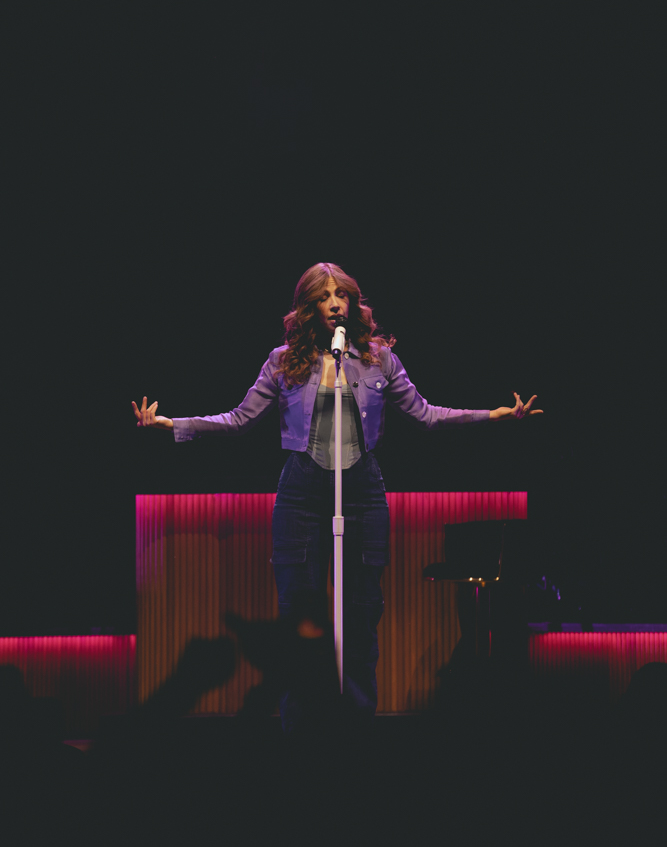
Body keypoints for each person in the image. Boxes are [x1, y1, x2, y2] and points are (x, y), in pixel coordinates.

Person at [132, 262, 541, 732]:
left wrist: (495, 416)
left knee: (363, 617)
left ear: (352, 304)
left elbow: (427, 415)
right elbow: (239, 419)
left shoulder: (377, 360)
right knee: (300, 620)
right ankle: (302, 728)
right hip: (301, 492)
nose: (335, 302)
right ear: (309, 306)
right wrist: (171, 425)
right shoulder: (283, 360)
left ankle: (356, 725)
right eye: (325, 295)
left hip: (362, 489)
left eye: (341, 294)